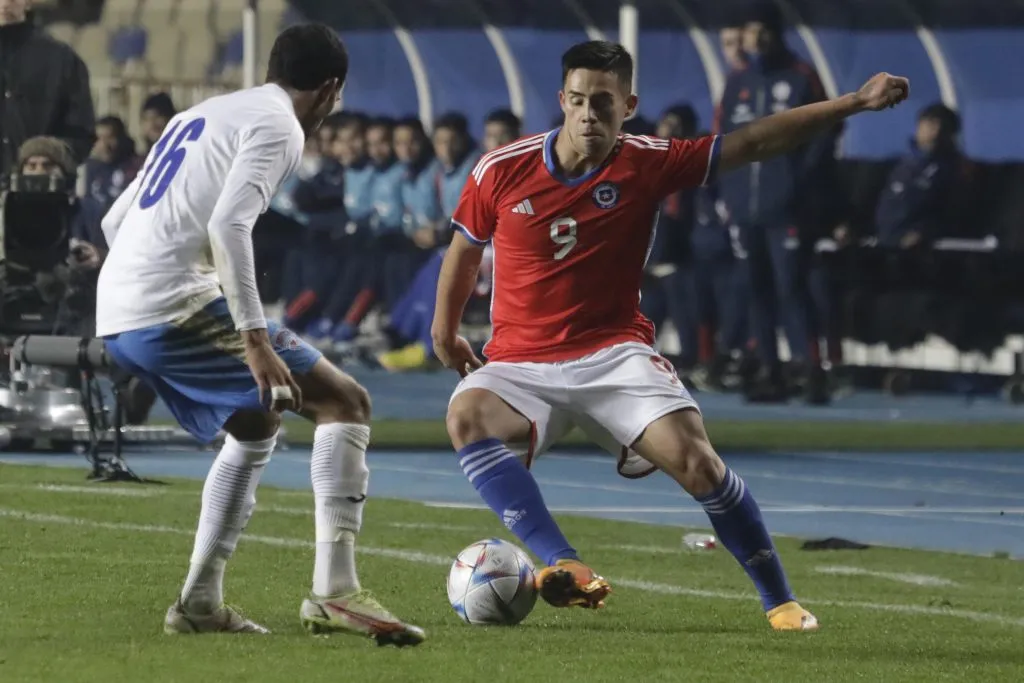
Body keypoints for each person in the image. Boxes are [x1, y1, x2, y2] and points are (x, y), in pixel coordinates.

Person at [433, 39, 908, 630]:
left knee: (698, 464)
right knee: (466, 417)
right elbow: (464, 251)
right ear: (561, 100)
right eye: (577, 100)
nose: (588, 114)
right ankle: (563, 562)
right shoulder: (501, 168)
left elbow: (755, 142)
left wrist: (853, 103)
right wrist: (444, 330)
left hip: (614, 355)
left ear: (628, 106)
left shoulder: (649, 161)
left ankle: (780, 601)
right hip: (519, 362)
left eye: (603, 102)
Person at [94, 24, 423, 645]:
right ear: (329, 89)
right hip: (170, 305)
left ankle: (199, 602)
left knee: (255, 424)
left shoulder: (202, 113)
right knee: (345, 402)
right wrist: (254, 339)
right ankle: (335, 592)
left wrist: (136, 288)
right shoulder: (280, 126)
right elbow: (229, 225)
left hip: (118, 308)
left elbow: (116, 219)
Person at [716, 2, 837, 403]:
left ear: (776, 33)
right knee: (755, 289)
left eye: (763, 30)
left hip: (787, 207)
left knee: (792, 287)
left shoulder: (801, 76)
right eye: (751, 31)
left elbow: (825, 131)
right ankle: (770, 370)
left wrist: (796, 182)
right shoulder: (737, 81)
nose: (756, 38)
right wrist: (728, 192)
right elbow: (722, 139)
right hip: (745, 207)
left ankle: (811, 369)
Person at [0, 0, 95, 179]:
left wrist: (46, 156)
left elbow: (81, 131)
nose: (5, 4)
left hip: (41, 187)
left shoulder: (62, 58)